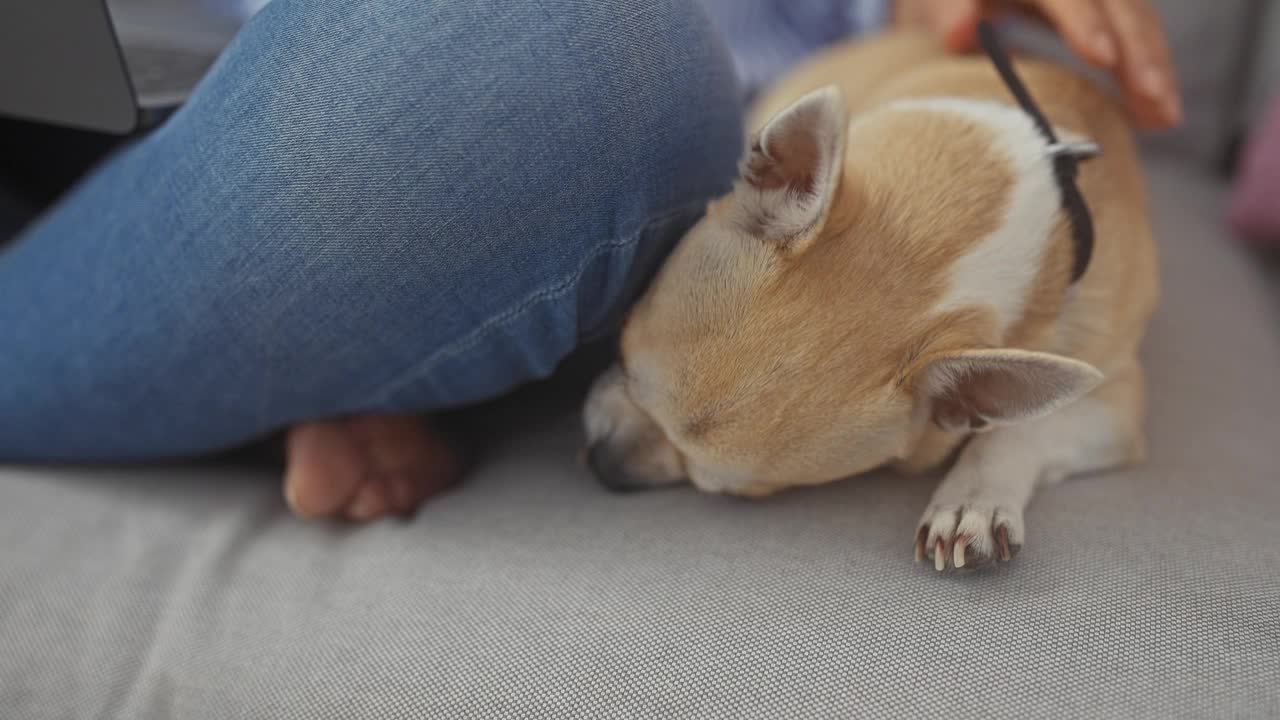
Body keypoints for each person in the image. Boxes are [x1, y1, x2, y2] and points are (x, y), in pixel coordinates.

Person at [0, 0, 1181, 521]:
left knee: (544, 51)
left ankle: (330, 363)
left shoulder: (880, 66)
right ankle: (323, 381)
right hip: (176, 82)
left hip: (400, 168)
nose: (619, 461)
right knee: (546, 47)